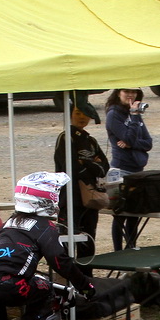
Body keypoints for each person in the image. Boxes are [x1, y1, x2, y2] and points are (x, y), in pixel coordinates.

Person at [0, 172, 96, 320]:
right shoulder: (45, 227)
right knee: (46, 288)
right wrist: (84, 285)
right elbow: (60, 261)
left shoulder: (10, 223)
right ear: (47, 200)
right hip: (12, 286)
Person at [54, 96, 109, 274]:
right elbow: (70, 167)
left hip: (91, 196)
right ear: (69, 115)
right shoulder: (65, 138)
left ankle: (87, 276)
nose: (82, 117)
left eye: (86, 114)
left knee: (88, 238)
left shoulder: (91, 140)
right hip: (70, 196)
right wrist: (91, 165)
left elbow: (104, 166)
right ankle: (67, 276)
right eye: (78, 113)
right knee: (68, 237)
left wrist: (87, 165)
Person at [105, 88, 153, 251]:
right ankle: (118, 252)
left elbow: (148, 143)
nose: (131, 95)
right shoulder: (114, 115)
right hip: (120, 170)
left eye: (134, 92)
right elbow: (130, 137)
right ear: (118, 93)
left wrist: (132, 143)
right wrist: (133, 117)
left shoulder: (135, 114)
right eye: (127, 91)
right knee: (120, 215)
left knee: (135, 214)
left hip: (138, 170)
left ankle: (131, 248)